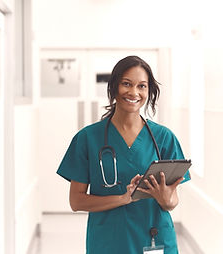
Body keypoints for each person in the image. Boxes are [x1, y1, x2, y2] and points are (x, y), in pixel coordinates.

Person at [56, 55, 191, 254]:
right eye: (126, 84)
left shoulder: (163, 138)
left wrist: (165, 198)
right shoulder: (87, 138)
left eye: (142, 86)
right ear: (114, 87)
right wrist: (123, 198)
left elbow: (171, 202)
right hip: (108, 242)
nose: (134, 92)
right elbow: (76, 201)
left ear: (149, 90)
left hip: (154, 238)